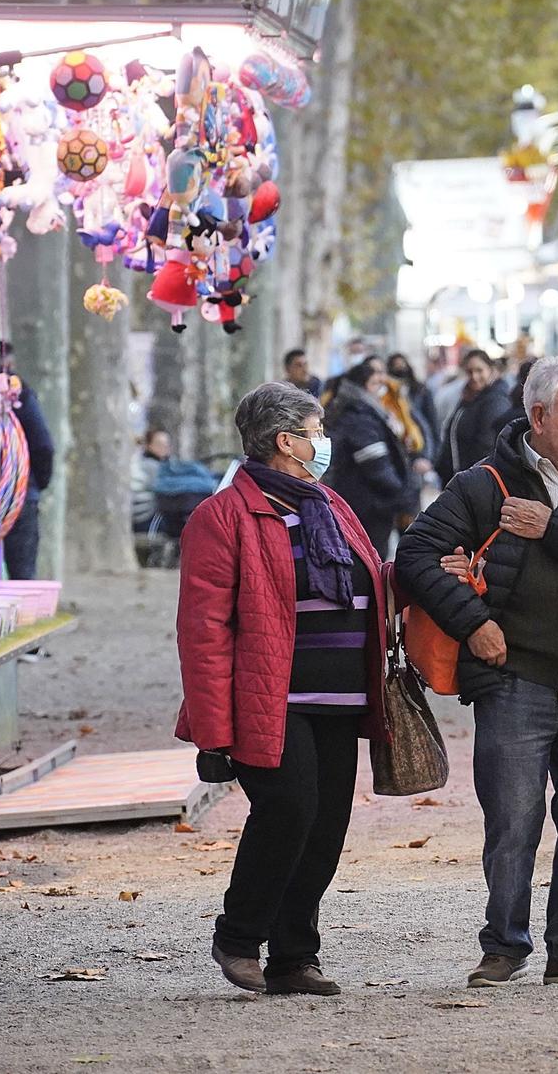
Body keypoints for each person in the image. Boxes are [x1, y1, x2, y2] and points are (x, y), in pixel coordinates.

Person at [396, 357, 558, 989]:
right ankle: (504, 947)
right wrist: (472, 624)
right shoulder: (484, 483)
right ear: (537, 417)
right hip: (515, 682)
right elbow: (414, 555)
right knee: (512, 823)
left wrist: (553, 525)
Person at [175, 382, 390, 997]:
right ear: (285, 441)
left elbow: (369, 579)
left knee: (326, 825)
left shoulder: (330, 504)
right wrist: (214, 733)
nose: (324, 443)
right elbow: (204, 633)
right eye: (316, 431)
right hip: (272, 698)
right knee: (289, 811)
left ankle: (295, 956)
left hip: (340, 695)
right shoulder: (221, 518)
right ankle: (239, 936)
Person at [322, 358, 421, 557]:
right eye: (376, 384)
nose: (381, 389)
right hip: (368, 506)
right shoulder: (359, 417)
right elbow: (377, 466)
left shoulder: (360, 411)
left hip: (367, 504)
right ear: (363, 386)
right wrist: (403, 493)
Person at [1, 350, 56, 581]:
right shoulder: (22, 395)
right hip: (20, 494)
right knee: (21, 571)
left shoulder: (18, 395)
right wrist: (35, 484)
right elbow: (44, 445)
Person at [443, 349, 514, 477]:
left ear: (491, 370)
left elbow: (486, 446)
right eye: (470, 372)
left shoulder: (495, 401)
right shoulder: (469, 398)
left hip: (477, 478)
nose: (474, 377)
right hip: (464, 476)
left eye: (479, 370)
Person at [387, 352, 441, 458]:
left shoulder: (421, 391)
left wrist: (433, 455)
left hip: (423, 447)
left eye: (402, 365)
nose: (400, 368)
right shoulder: (387, 396)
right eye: (396, 366)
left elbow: (431, 423)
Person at [132, 428, 172, 534]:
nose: (164, 448)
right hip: (144, 519)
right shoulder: (150, 466)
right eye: (159, 444)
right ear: (148, 446)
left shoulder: (160, 465)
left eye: (167, 444)